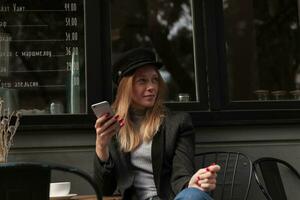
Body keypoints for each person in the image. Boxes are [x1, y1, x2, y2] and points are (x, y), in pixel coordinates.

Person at [93, 47, 221, 200]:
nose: (151, 87)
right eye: (142, 81)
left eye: (155, 80)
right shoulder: (114, 125)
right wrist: (101, 146)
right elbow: (104, 190)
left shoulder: (177, 123)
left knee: (193, 195)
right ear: (126, 87)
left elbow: (182, 174)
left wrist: (191, 184)